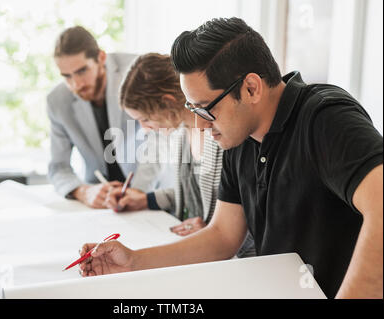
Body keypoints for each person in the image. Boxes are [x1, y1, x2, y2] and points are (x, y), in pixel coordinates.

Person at [77, 18, 383, 299]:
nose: (199, 124)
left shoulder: (323, 117)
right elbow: (223, 236)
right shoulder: (239, 138)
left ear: (251, 88)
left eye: (206, 109)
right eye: (193, 109)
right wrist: (133, 260)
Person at [104, 53, 255, 256]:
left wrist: (213, 232)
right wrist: (144, 200)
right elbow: (190, 195)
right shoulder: (181, 133)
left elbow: (248, 212)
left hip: (230, 258)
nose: (145, 129)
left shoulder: (222, 136)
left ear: (167, 103)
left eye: (146, 119)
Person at [47, 26, 166, 208]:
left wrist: (138, 191)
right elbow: (58, 167)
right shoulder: (57, 101)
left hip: (148, 189)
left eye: (82, 71)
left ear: (101, 58)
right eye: (66, 76)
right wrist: (83, 191)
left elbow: (159, 137)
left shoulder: (137, 72)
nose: (76, 84)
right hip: (98, 198)